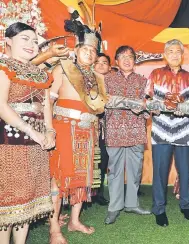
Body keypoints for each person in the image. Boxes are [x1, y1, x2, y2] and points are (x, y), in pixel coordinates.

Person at [48, 13, 108, 243]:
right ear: (77, 48)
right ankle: (54, 228)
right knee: (60, 178)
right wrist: (47, 128)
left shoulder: (97, 77)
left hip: (88, 131)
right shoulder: (62, 68)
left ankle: (74, 220)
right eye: (86, 49)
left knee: (83, 179)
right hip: (64, 128)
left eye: (94, 50)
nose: (90, 53)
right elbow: (48, 100)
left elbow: (100, 107)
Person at [0, 22, 55, 244]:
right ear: (8, 42)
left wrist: (50, 131)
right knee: (9, 202)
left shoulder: (41, 74)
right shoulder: (3, 66)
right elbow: (2, 106)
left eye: (34, 40)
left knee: (28, 200)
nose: (31, 44)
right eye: (25, 38)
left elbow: (47, 107)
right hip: (9, 143)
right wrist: (31, 131)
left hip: (37, 144)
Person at [144, 39, 189, 227]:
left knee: (185, 170)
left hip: (185, 129)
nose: (174, 54)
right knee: (160, 171)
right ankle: (159, 209)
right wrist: (154, 108)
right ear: (165, 54)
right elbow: (146, 98)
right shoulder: (155, 74)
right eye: (171, 51)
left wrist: (187, 108)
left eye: (178, 51)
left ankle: (186, 205)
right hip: (161, 129)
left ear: (182, 55)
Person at [103, 45, 151, 225]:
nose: (126, 59)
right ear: (116, 61)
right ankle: (114, 207)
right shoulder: (107, 80)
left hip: (136, 130)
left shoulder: (143, 80)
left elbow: (148, 104)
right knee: (115, 170)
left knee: (135, 169)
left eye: (130, 56)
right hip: (114, 129)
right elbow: (101, 103)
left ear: (135, 60)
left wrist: (144, 107)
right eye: (122, 56)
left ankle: (132, 203)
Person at [93, 53, 111, 206]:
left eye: (104, 62)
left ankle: (98, 193)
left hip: (106, 130)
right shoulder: (85, 82)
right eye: (97, 62)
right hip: (86, 127)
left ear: (110, 67)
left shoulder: (113, 84)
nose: (100, 65)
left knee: (102, 161)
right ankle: (82, 194)